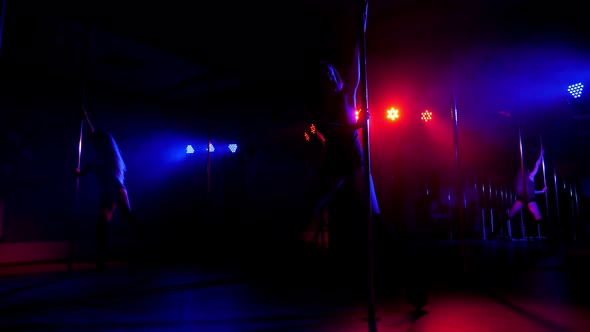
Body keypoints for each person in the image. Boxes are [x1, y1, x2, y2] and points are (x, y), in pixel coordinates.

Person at [304, 39, 381, 264]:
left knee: (372, 209)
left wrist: (359, 40)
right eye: (323, 76)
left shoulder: (346, 95)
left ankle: (381, 251)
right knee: (315, 201)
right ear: (318, 82)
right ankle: (295, 240)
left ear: (334, 75)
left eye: (330, 73)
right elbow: (329, 129)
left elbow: (355, 72)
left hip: (354, 156)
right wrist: (356, 126)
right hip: (335, 159)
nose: (328, 77)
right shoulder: (317, 108)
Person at [75, 113, 142, 271]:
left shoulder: (107, 156)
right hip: (106, 192)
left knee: (127, 217)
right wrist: (86, 118)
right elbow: (82, 172)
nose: (93, 143)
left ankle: (146, 242)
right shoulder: (94, 160)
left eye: (96, 142)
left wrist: (87, 120)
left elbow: (96, 137)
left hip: (115, 188)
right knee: (101, 226)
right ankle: (101, 260)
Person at [507, 149, 547, 234]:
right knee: (510, 215)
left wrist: (542, 191)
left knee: (538, 217)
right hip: (525, 199)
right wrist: (541, 155)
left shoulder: (527, 177)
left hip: (526, 199)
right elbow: (536, 166)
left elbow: (531, 191)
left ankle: (537, 232)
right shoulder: (528, 177)